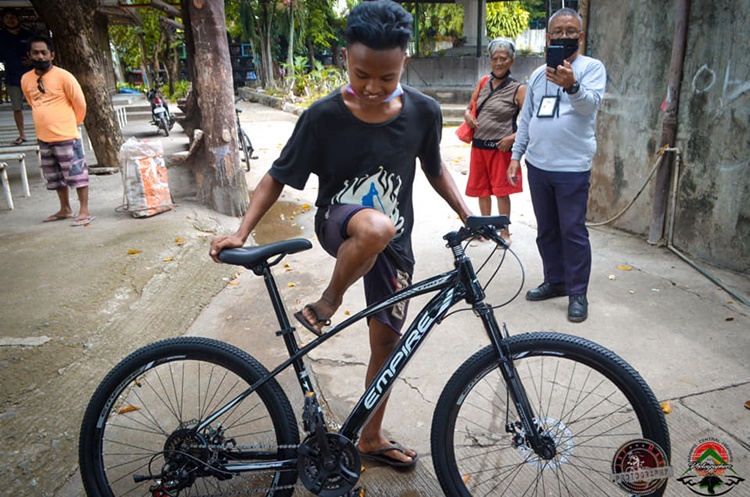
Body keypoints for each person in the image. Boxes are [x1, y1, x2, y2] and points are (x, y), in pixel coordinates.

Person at [210, 0, 471, 469]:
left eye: (386, 78)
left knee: (388, 345)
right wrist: (241, 232)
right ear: (345, 58)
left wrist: (468, 215)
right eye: (361, 73)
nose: (372, 87)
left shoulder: (424, 112)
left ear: (403, 64)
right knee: (375, 225)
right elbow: (276, 176)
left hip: (395, 246)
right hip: (341, 224)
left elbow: (435, 169)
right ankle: (327, 302)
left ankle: (370, 437)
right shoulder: (323, 115)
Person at [507, 8, 606, 323]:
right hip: (539, 166)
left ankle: (578, 293)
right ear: (548, 37)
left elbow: (589, 106)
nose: (564, 36)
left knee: (573, 231)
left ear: (580, 35)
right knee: (547, 230)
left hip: (571, 168)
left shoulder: (591, 68)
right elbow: (527, 119)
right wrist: (515, 156)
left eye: (570, 30)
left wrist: (572, 85)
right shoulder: (537, 75)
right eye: (558, 31)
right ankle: (555, 280)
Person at [21, 35, 93, 226]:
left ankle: (84, 211)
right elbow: (31, 102)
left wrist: (71, 124)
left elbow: (80, 104)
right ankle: (65, 209)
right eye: (35, 53)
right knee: (54, 176)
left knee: (77, 174)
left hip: (67, 134)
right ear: (29, 55)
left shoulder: (64, 76)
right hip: (43, 136)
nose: (40, 56)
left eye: (44, 52)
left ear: (51, 55)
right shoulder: (26, 79)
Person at [462, 38, 526, 244]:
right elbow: (469, 106)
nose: (498, 62)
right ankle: (484, 229)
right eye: (494, 58)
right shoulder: (483, 83)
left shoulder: (518, 89)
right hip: (479, 146)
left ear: (511, 61)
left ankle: (505, 233)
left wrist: (512, 138)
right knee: (482, 190)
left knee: (501, 191)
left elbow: (528, 122)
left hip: (502, 148)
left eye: (503, 58)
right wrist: (467, 116)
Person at [0, 8, 34, 145]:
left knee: (38, 105)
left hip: (31, 76)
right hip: (12, 77)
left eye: (13, 16)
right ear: (2, 20)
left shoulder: (28, 35)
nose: (10, 19)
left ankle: (44, 132)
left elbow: (41, 51)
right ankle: (22, 134)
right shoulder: (1, 37)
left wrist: (33, 61)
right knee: (17, 107)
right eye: (7, 17)